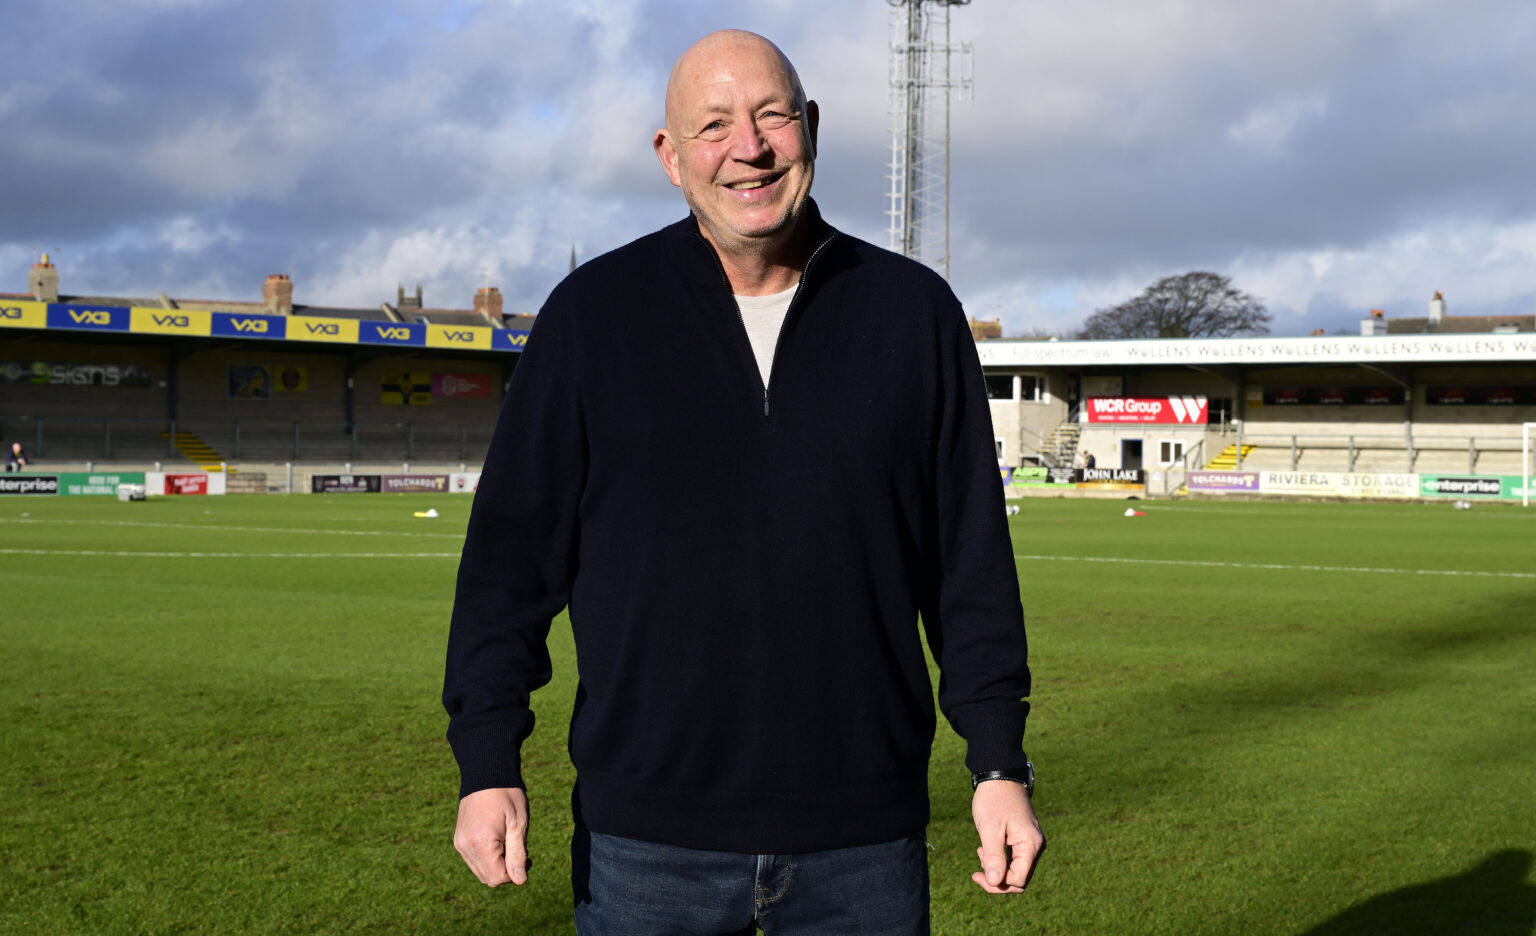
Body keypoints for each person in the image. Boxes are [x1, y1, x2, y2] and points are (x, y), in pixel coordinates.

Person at [444, 29, 1042, 934]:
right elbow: (508, 566)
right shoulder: (591, 318)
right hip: (645, 845)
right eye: (714, 124)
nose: (750, 149)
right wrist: (488, 761)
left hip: (864, 844)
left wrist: (998, 764)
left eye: (772, 117)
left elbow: (968, 567)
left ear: (811, 128)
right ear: (670, 156)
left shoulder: (913, 314)